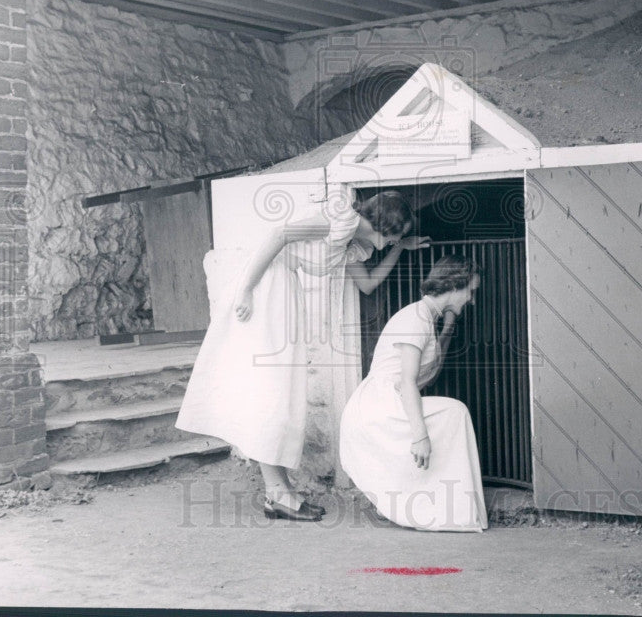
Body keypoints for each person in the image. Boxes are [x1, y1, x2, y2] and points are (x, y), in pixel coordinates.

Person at [175, 190, 429, 522]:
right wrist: (247, 290)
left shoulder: (353, 243)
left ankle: (279, 492)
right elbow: (280, 234)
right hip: (267, 288)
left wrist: (398, 248)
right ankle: (278, 494)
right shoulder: (341, 220)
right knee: (272, 389)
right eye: (400, 232)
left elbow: (368, 284)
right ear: (389, 223)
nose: (402, 237)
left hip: (284, 292)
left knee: (279, 392)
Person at [340, 255, 488, 532]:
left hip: (388, 399)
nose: (472, 300)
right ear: (455, 285)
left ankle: (447, 505)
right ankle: (445, 508)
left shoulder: (424, 316)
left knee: (453, 413)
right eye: (471, 291)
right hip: (378, 405)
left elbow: (431, 364)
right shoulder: (415, 318)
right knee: (455, 412)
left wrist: (448, 324)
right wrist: (420, 436)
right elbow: (408, 382)